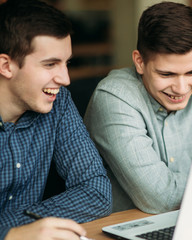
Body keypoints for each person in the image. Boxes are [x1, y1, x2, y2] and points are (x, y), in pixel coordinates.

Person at [84, 1, 192, 214]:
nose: (181, 88)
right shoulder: (115, 98)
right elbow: (161, 197)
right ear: (139, 62)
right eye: (167, 74)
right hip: (130, 227)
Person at [0, 0, 112, 239]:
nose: (65, 78)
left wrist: (31, 228)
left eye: (66, 63)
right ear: (6, 65)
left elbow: (97, 191)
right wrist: (11, 234)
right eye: (50, 64)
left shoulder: (58, 102)